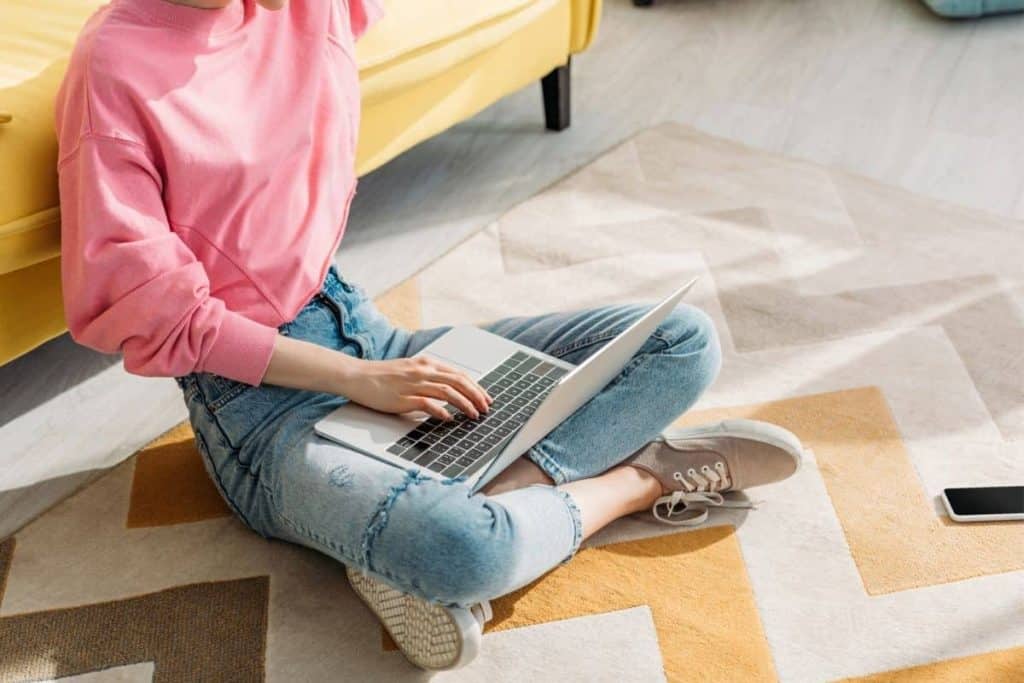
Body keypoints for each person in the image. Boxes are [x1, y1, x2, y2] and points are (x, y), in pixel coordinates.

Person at [55, 0, 804, 671]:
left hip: (363, 327)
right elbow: (157, 317)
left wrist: (376, 370)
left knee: (681, 340)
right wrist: (357, 382)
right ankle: (639, 478)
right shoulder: (115, 66)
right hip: (257, 408)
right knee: (465, 548)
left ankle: (459, 496)